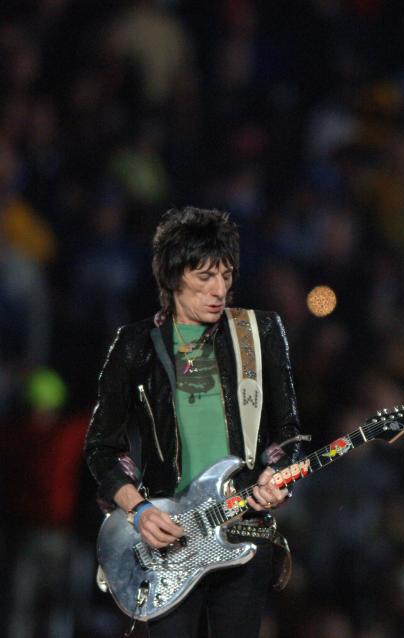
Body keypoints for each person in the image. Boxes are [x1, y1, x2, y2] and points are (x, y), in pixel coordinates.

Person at [84, 206, 301, 637]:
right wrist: (139, 509)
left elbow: (288, 432)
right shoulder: (135, 346)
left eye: (226, 275)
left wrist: (276, 476)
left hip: (242, 528)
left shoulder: (259, 333)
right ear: (173, 276)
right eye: (205, 277)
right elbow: (102, 448)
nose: (219, 289)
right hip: (169, 539)